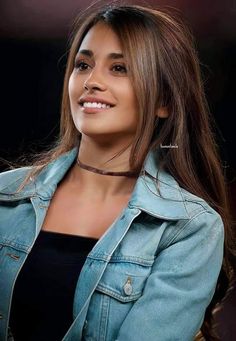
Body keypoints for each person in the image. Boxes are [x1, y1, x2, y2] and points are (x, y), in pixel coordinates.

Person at [0, 2, 235, 340]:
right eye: (83, 64)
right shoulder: (6, 197)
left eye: (120, 68)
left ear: (164, 101)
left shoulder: (189, 228)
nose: (92, 81)